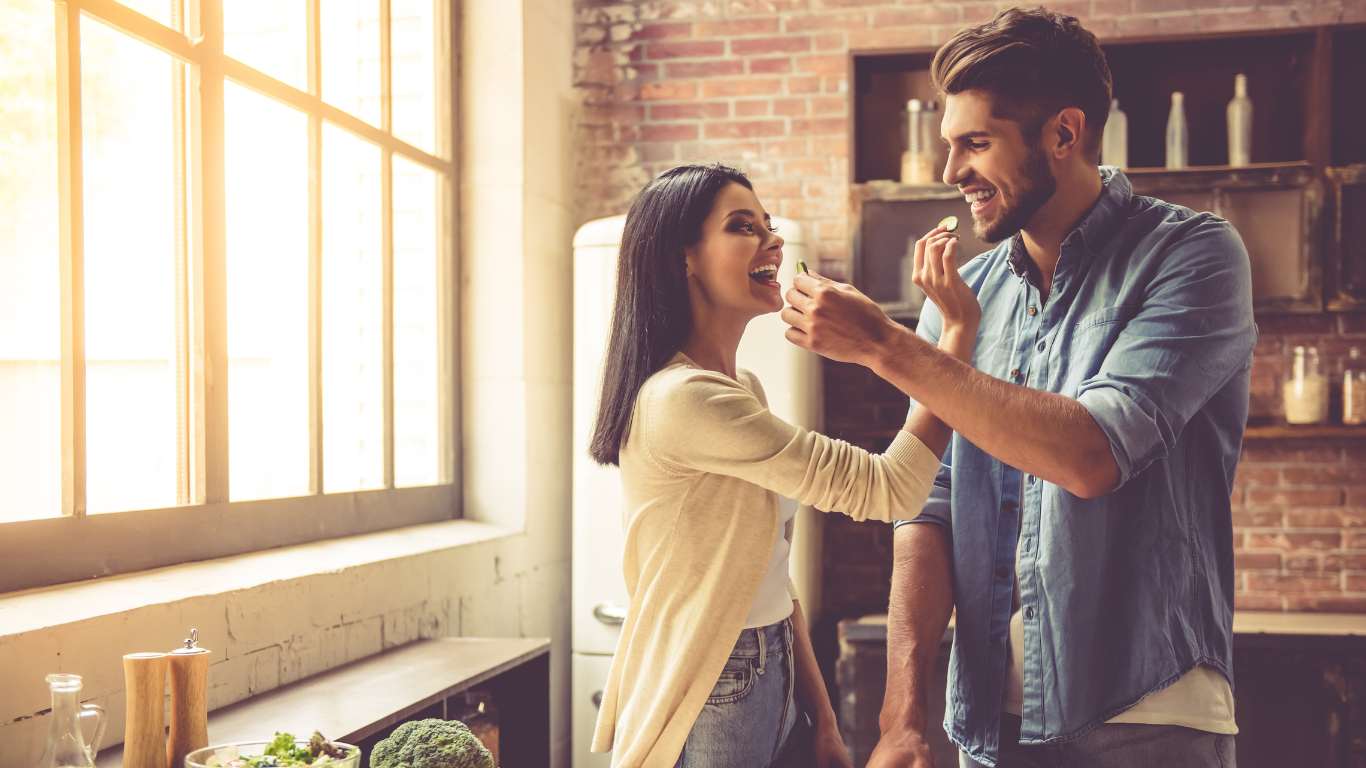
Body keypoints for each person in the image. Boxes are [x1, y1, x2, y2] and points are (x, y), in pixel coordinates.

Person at [782, 9, 1255, 768]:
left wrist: (884, 345)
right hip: (991, 723)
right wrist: (903, 712)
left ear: (1063, 134)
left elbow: (1092, 452)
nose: (950, 173)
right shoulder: (966, 298)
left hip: (1148, 710)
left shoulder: (1193, 257)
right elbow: (926, 508)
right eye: (949, 144)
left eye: (975, 143)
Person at [588, 163, 981, 768]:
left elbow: (768, 571)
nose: (771, 240)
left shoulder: (738, 386)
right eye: (743, 226)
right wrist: (950, 334)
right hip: (714, 685)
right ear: (682, 258)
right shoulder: (685, 400)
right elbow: (891, 490)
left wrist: (821, 719)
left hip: (771, 669)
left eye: (768, 225)